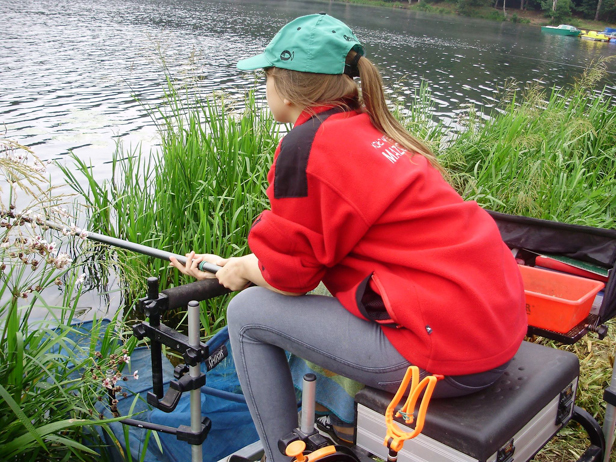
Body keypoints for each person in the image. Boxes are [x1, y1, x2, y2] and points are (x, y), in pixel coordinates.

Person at [170, 13, 527, 462]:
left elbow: (289, 276)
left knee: (246, 313)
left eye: (265, 78)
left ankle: (285, 454)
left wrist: (243, 270)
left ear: (282, 85)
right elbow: (311, 254)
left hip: (448, 354)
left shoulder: (306, 144)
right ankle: (330, 426)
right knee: (271, 299)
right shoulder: (370, 126)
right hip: (493, 331)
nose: (264, 90)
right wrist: (235, 265)